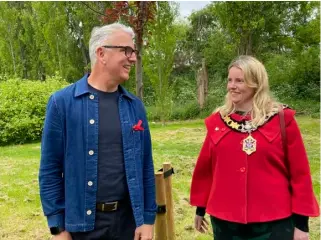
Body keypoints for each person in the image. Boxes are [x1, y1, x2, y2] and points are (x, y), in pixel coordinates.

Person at [39, 23, 157, 240]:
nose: (133, 58)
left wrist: (147, 219)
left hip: (128, 224)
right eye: (126, 50)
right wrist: (58, 228)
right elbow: (50, 171)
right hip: (82, 228)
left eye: (133, 52)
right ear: (101, 53)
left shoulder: (135, 106)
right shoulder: (62, 103)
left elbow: (145, 167)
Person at [190, 55, 319, 240]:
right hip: (226, 223)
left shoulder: (282, 119)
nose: (231, 86)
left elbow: (300, 175)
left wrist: (301, 225)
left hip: (274, 223)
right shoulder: (217, 122)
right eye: (230, 80)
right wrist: (200, 208)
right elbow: (206, 170)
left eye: (239, 81)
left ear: (255, 83)